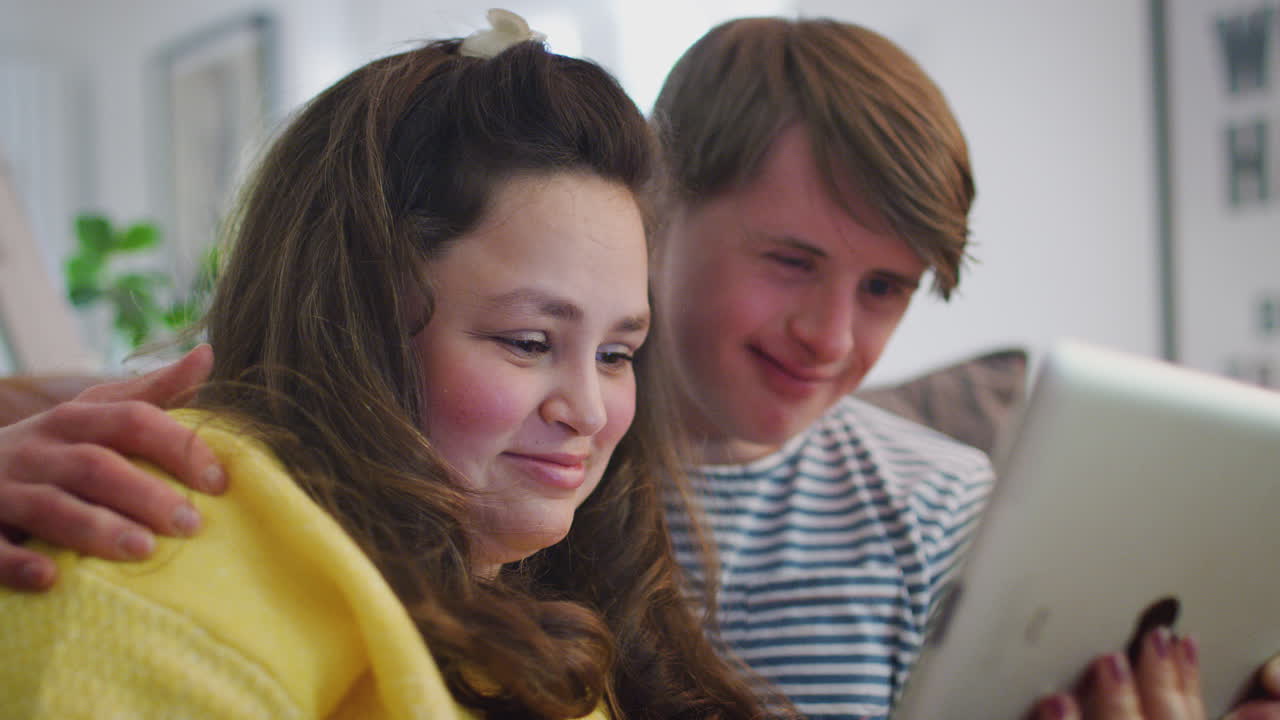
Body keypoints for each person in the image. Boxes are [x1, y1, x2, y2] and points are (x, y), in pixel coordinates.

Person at [2, 14, 1279, 720]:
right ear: (661, 214)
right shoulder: (205, 485)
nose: (832, 340)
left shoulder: (941, 517)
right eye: (789, 262)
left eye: (885, 290)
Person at [0, 19, 775, 719]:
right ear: (355, 317)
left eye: (615, 356)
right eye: (530, 343)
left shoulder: (548, 590)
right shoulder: (151, 563)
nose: (591, 411)